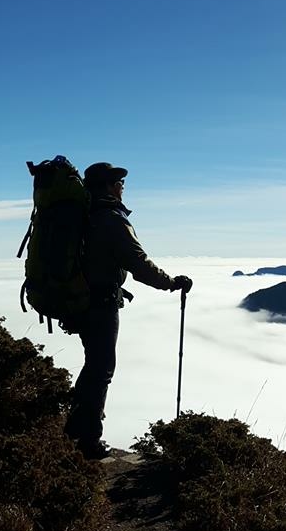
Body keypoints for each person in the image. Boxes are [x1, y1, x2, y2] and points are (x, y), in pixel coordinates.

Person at [64, 162, 191, 459]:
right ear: (108, 185)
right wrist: (171, 283)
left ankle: (74, 430)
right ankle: (86, 442)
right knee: (101, 368)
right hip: (101, 304)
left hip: (79, 300)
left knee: (93, 364)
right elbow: (138, 264)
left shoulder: (85, 215)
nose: (122, 188)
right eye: (119, 183)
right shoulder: (111, 218)